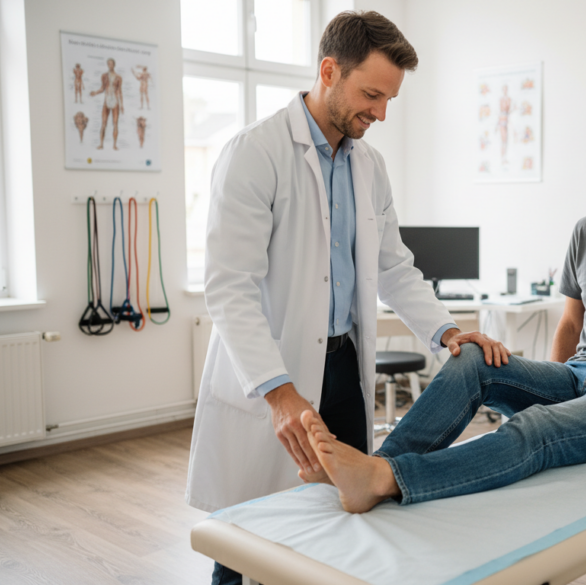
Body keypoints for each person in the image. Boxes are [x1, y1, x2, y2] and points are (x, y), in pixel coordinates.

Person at [301, 105, 586, 514]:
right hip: (581, 377)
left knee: (537, 429)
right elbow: (570, 323)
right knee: (473, 360)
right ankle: (375, 469)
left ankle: (389, 480)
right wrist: (553, 392)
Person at [185, 11, 510, 584]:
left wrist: (447, 332)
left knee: (339, 523)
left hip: (343, 371)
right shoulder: (255, 153)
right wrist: (280, 394)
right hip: (273, 372)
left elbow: (395, 267)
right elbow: (229, 287)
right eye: (371, 94)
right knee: (246, 536)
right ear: (329, 71)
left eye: (389, 99)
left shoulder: (370, 165)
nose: (381, 112)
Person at [89, 58, 123, 150]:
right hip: (106, 101)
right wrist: (95, 93)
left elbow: (120, 91)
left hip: (115, 102)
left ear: (114, 65)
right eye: (108, 63)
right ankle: (101, 144)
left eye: (111, 63)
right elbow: (102, 88)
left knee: (115, 123)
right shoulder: (104, 76)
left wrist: (122, 105)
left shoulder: (118, 77)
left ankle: (114, 145)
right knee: (103, 123)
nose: (109, 65)